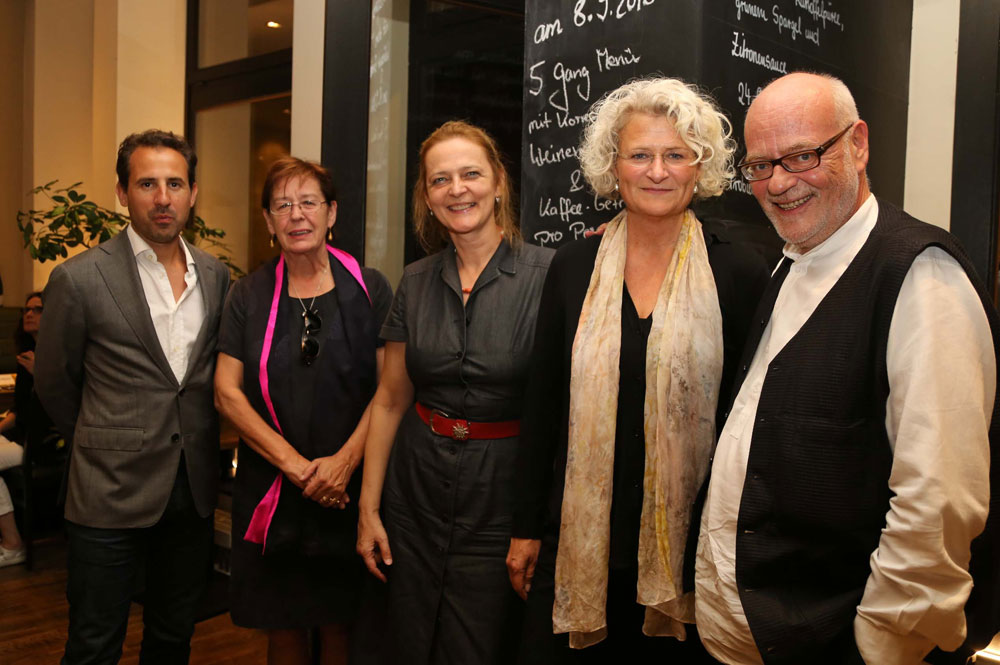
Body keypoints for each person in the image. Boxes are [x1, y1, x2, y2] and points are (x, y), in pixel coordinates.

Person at [694, 72, 999, 665]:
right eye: (761, 166)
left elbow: (938, 501)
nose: (779, 183)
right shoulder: (790, 264)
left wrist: (883, 646)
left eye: (803, 156)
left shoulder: (918, 275)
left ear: (857, 144)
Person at [507, 77, 770, 663]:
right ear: (613, 166)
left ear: (700, 169)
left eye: (675, 155)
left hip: (690, 552)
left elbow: (749, 422)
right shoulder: (574, 267)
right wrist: (525, 528)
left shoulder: (742, 274)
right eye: (640, 155)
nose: (657, 171)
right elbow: (543, 402)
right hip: (578, 543)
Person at [355, 120, 554, 664]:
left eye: (471, 174)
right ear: (426, 196)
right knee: (408, 640)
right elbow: (391, 400)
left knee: (482, 646)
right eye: (440, 180)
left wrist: (533, 524)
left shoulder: (551, 276)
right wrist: (369, 510)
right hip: (414, 491)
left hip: (502, 497)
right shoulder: (415, 281)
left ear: (499, 185)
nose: (457, 189)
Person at [34, 129, 231, 665]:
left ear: (193, 192)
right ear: (123, 193)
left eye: (174, 183)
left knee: (172, 637)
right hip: (107, 494)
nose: (162, 198)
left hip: (190, 494)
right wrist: (105, 440)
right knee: (95, 643)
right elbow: (54, 382)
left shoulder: (216, 276)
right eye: (147, 183)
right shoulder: (78, 279)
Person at [214, 157, 392, 665]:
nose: (297, 215)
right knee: (283, 626)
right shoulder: (246, 294)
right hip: (274, 488)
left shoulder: (371, 288)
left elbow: (390, 390)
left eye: (308, 202)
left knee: (343, 624)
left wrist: (342, 465)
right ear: (269, 221)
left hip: (350, 489)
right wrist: (297, 469)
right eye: (282, 205)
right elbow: (227, 393)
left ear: (331, 213)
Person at [0, 291, 51, 567]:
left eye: (38, 309)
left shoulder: (56, 355)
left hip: (43, 444)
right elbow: (19, 411)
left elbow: (66, 400)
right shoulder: (26, 354)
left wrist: (40, 371)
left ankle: (13, 544)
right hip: (22, 435)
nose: (28, 314)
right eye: (26, 309)